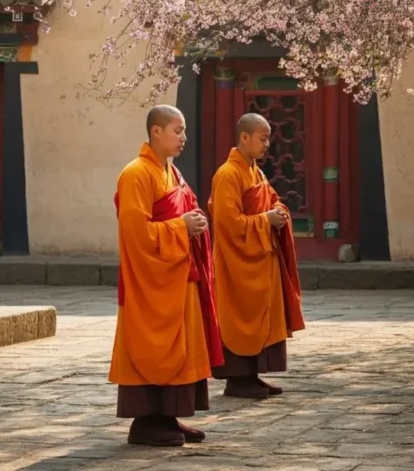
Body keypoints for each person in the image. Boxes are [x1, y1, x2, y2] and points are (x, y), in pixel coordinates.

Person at [109, 105, 224, 446]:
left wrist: (196, 222)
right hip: (150, 283)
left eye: (185, 131)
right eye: (178, 130)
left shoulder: (172, 173)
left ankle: (169, 418)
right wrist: (181, 226)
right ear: (155, 131)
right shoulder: (136, 174)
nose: (184, 138)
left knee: (183, 346)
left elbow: (186, 209)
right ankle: (145, 423)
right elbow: (135, 234)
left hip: (178, 277)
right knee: (152, 348)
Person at [209, 112, 306, 399]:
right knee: (238, 318)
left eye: (268, 139)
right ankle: (237, 379)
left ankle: (252, 375)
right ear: (244, 137)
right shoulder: (228, 174)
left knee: (261, 315)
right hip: (236, 263)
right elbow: (229, 223)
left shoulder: (257, 172)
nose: (267, 145)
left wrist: (279, 213)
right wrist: (266, 220)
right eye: (263, 139)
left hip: (261, 258)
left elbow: (273, 201)